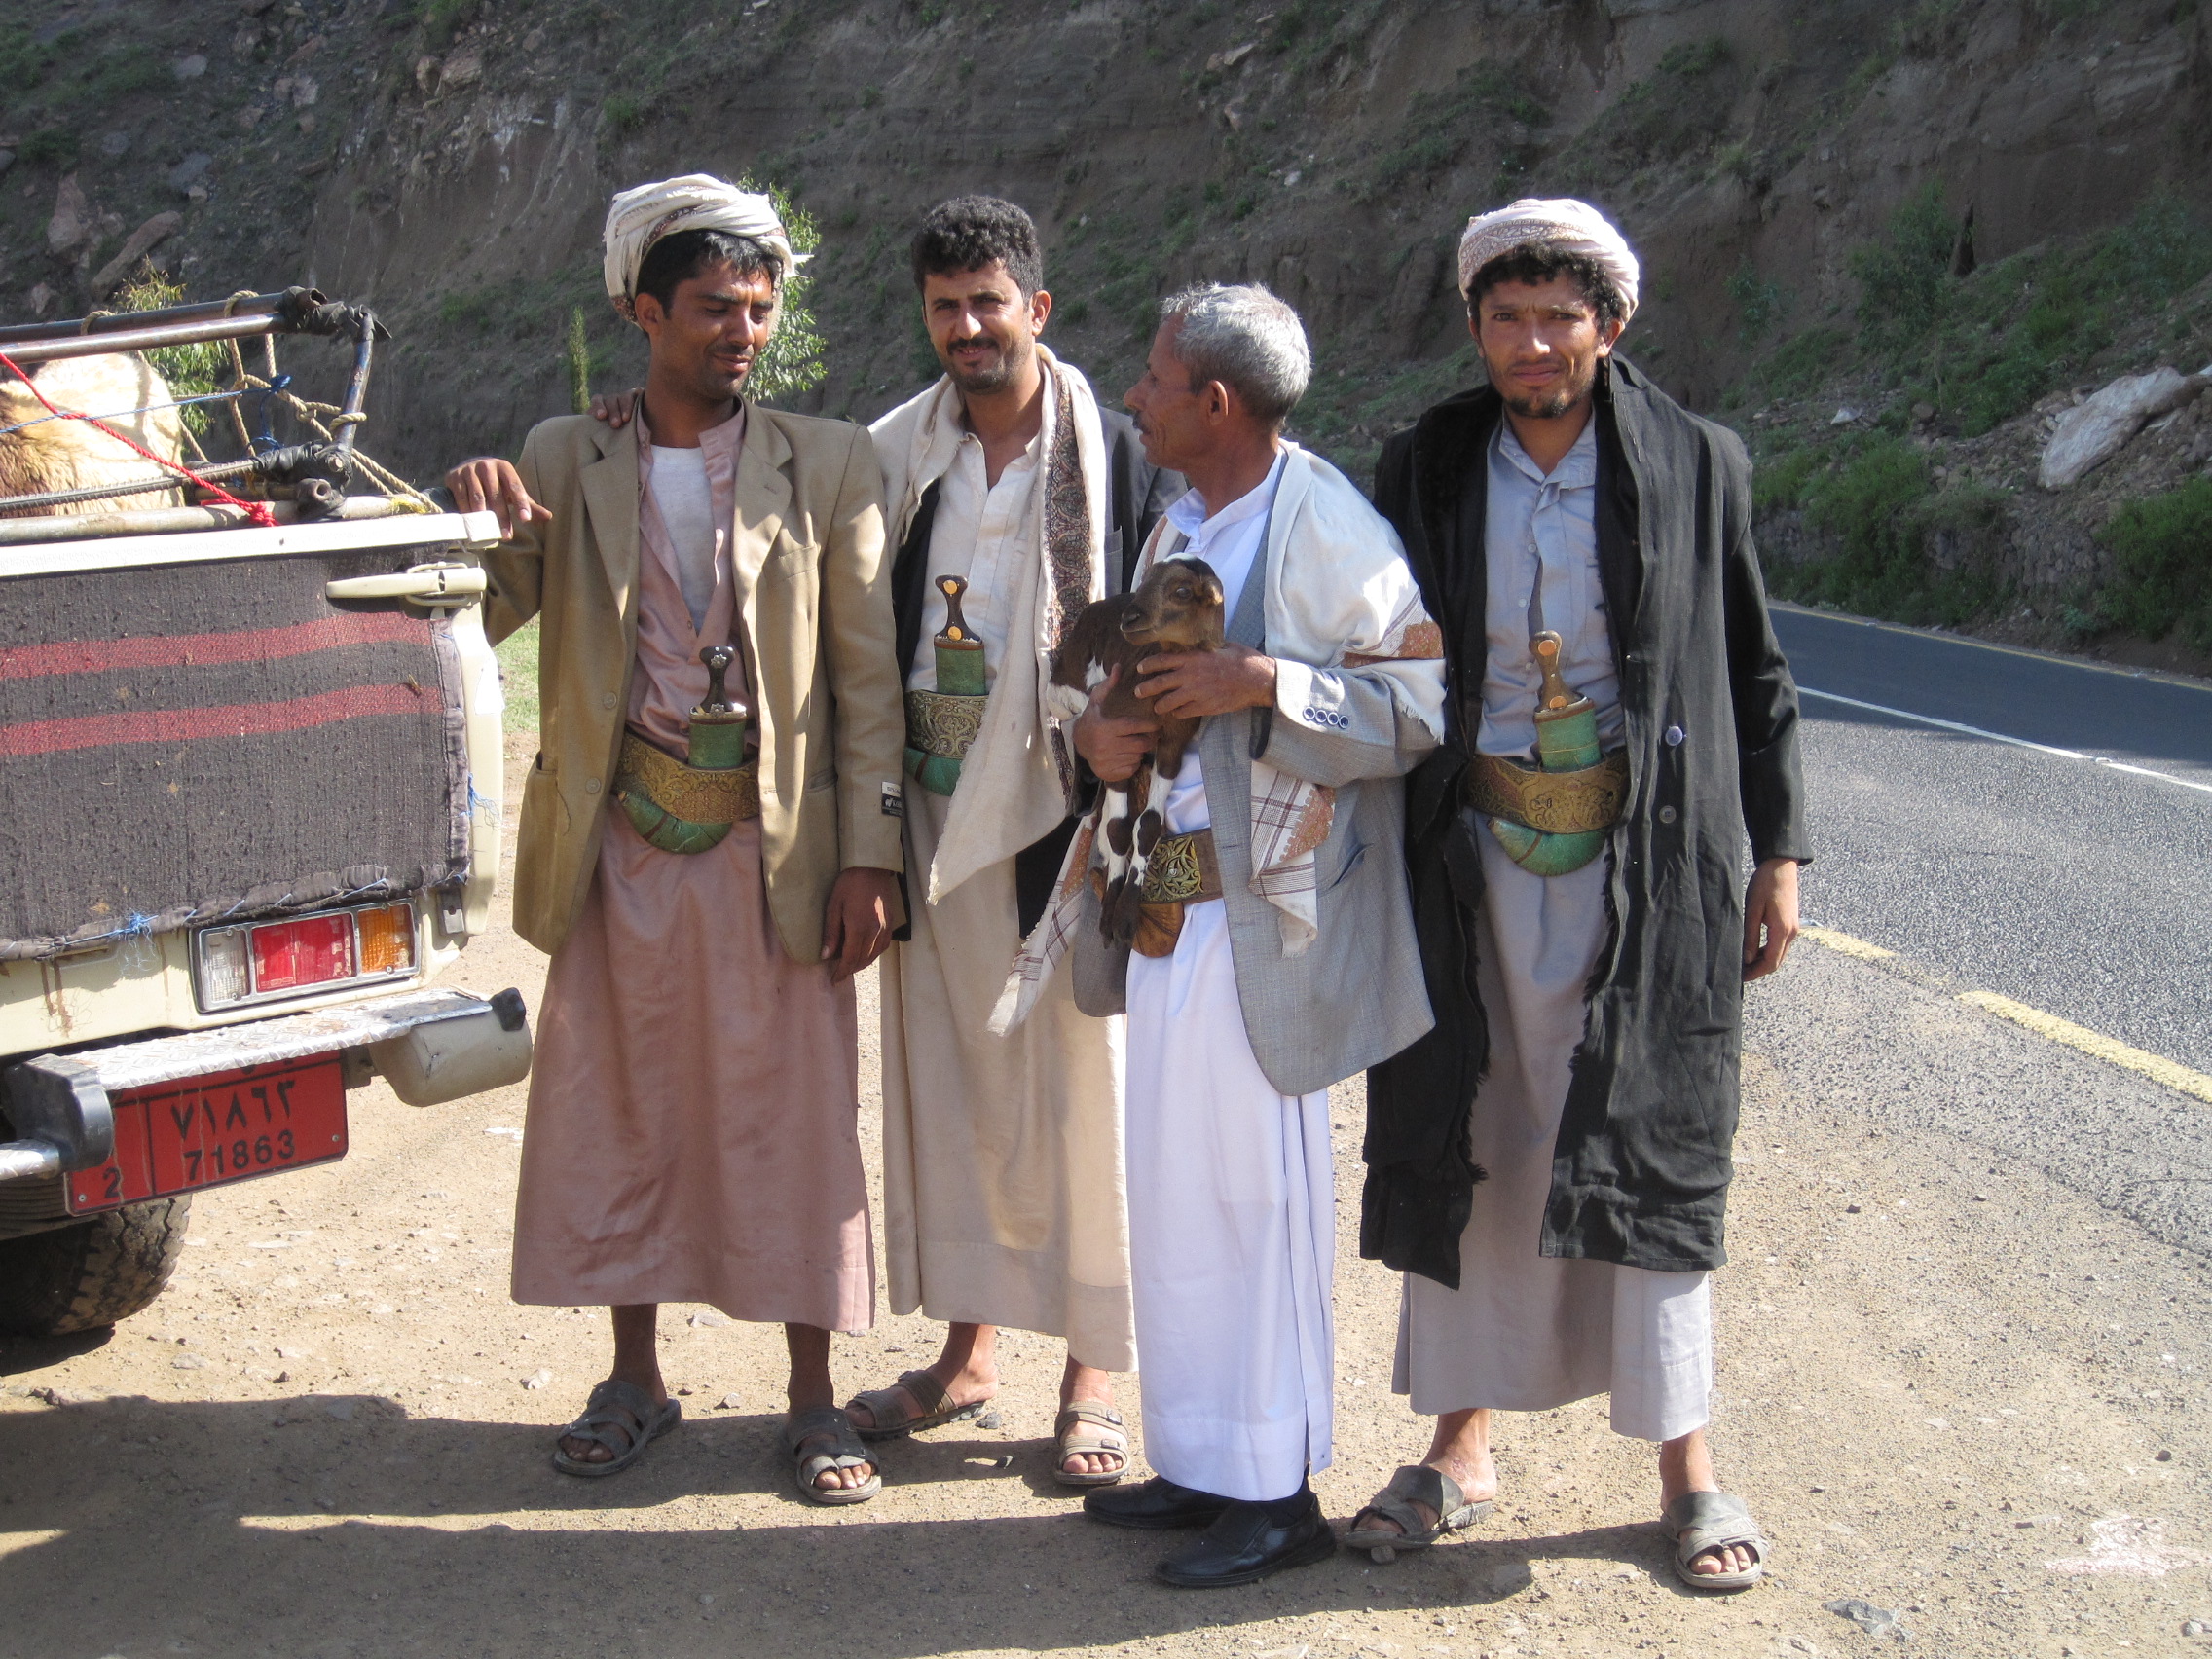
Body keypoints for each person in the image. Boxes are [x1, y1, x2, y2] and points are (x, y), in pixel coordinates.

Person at [1354, 197, 1810, 1590]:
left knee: (1647, 1137)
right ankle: (1458, 1446)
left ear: (1610, 328)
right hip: (1470, 860)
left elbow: (1755, 671)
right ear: (1477, 327)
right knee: (1478, 1126)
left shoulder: (1694, 462)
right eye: (1506, 317)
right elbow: (1372, 655)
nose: (1532, 342)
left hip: (1649, 866)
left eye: (1560, 318)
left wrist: (1776, 852)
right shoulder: (1427, 463)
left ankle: (1689, 1468)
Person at [445, 175, 907, 1506]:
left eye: (760, 308)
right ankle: (635, 1376)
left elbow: (866, 677)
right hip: (623, 841)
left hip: (781, 855)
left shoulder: (830, 462)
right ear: (643, 310)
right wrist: (472, 510)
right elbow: (478, 617)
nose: (743, 331)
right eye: (714, 308)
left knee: (797, 1118)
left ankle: (816, 1401)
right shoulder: (565, 456)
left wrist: (870, 853)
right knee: (621, 1107)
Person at [1046, 283, 1447, 1586]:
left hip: (1264, 925)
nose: (1136, 398)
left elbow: (1421, 703)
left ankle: (1274, 1496)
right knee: (1175, 1195)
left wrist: (1266, 679)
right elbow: (1134, 701)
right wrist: (1098, 739)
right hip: (1172, 909)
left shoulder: (1324, 522)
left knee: (1254, 1203)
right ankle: (1203, 1459)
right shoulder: (1183, 515)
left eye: (1156, 381)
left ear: (1216, 402)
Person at [851, 196, 1179, 1483]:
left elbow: (1182, 602)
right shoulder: (896, 451)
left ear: (1037, 310)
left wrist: (1123, 728)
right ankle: (968, 1354)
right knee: (959, 1086)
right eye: (945, 307)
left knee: (1082, 1099)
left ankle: (1094, 1370)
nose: (967, 327)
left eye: (990, 302)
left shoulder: (1121, 455)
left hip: (1078, 817)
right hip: (937, 817)